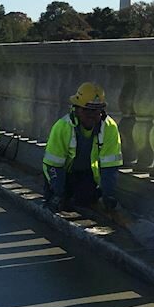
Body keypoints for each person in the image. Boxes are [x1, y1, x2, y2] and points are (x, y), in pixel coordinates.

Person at [43, 82, 123, 212]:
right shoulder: (62, 127)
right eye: (87, 110)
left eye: (96, 111)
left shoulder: (109, 128)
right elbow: (52, 165)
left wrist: (108, 194)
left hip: (86, 175)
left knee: (85, 201)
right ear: (77, 109)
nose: (92, 115)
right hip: (62, 175)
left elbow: (110, 167)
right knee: (58, 203)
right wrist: (58, 193)